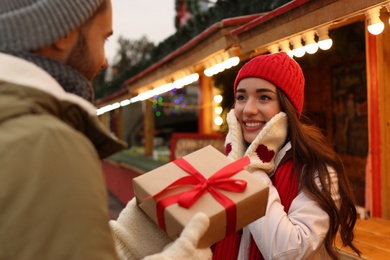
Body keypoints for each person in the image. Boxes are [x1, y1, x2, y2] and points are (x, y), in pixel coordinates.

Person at [0, 0, 211, 259]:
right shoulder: (50, 141)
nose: (103, 61)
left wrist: (125, 241)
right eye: (104, 39)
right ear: (63, 31)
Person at [212, 52, 361, 259]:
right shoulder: (226, 165)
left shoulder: (317, 171)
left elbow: (288, 250)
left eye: (264, 97)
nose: (248, 109)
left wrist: (253, 167)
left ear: (287, 107)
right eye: (241, 97)